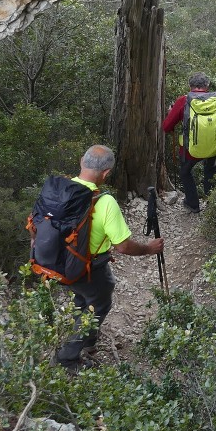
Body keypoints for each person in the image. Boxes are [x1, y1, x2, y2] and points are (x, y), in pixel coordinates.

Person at [54, 144, 164, 371]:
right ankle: (68, 356)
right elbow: (122, 246)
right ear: (106, 173)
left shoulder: (58, 190)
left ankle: (89, 340)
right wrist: (149, 249)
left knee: (82, 298)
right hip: (88, 267)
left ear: (81, 162)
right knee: (100, 302)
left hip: (56, 263)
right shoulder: (104, 202)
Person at [162, 71, 216, 213]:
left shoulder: (184, 100)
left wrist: (171, 112)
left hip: (190, 150)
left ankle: (193, 204)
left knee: (185, 172)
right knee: (210, 171)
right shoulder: (215, 100)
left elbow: (166, 127)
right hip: (213, 148)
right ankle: (212, 204)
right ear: (207, 85)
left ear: (190, 86)